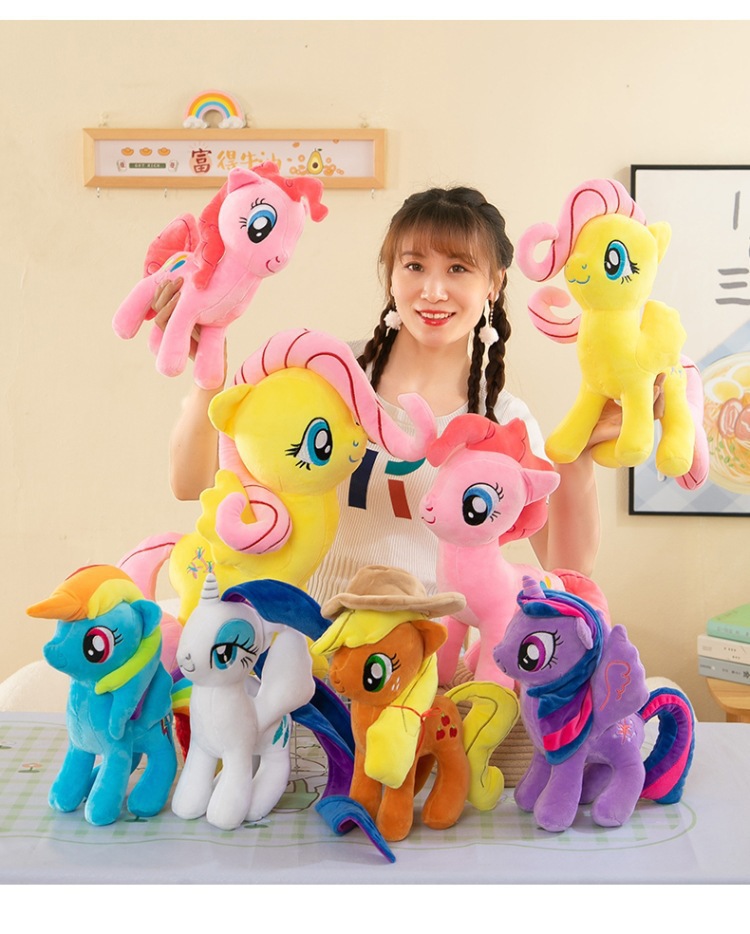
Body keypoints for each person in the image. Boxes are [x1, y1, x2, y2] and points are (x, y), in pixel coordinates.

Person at [158, 185, 607, 610]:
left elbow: (566, 568)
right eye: (414, 266)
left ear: (494, 282)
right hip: (293, 638)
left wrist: (580, 457)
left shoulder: (503, 421)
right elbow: (191, 482)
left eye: (458, 268)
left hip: (419, 653)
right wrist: (208, 374)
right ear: (391, 276)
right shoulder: (321, 373)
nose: (433, 291)